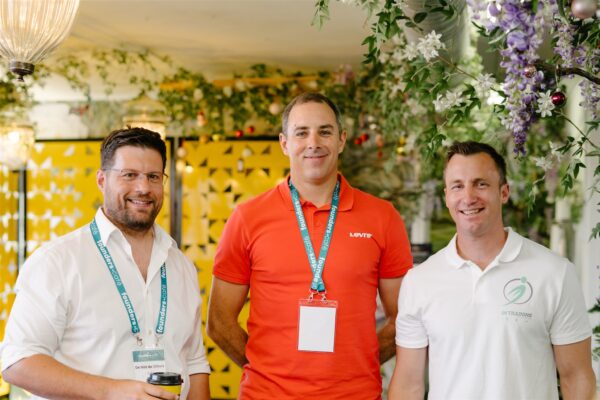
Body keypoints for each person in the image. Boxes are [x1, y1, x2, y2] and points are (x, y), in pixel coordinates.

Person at [206, 92, 413, 399]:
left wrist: (362, 363)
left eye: (324, 131)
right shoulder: (248, 217)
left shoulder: (382, 217)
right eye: (301, 133)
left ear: (341, 140)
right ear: (284, 143)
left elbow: (404, 319)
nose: (313, 142)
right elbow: (219, 322)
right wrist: (264, 371)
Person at [1, 127, 211, 400]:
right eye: (129, 175)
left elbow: (194, 362)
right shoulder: (57, 261)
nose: (143, 188)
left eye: (153, 176)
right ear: (102, 180)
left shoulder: (181, 265)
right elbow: (17, 361)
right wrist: (112, 391)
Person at [389, 141, 595, 400]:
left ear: (504, 192)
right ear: (446, 196)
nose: (468, 197)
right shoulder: (419, 281)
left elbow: (576, 376)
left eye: (481, 184)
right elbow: (408, 385)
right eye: (457, 186)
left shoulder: (555, 273)